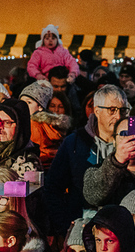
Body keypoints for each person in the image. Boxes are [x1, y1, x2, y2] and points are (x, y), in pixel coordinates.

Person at [45, 84, 130, 238]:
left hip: (122, 228)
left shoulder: (134, 142)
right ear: (97, 111)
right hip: (81, 228)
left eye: (123, 110)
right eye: (112, 110)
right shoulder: (75, 143)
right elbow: (53, 188)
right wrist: (64, 226)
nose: (118, 116)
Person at [19, 80, 71, 170]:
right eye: (22, 102)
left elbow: (33, 150)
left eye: (29, 102)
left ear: (40, 107)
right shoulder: (49, 124)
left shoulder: (34, 124)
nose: (24, 106)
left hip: (37, 166)